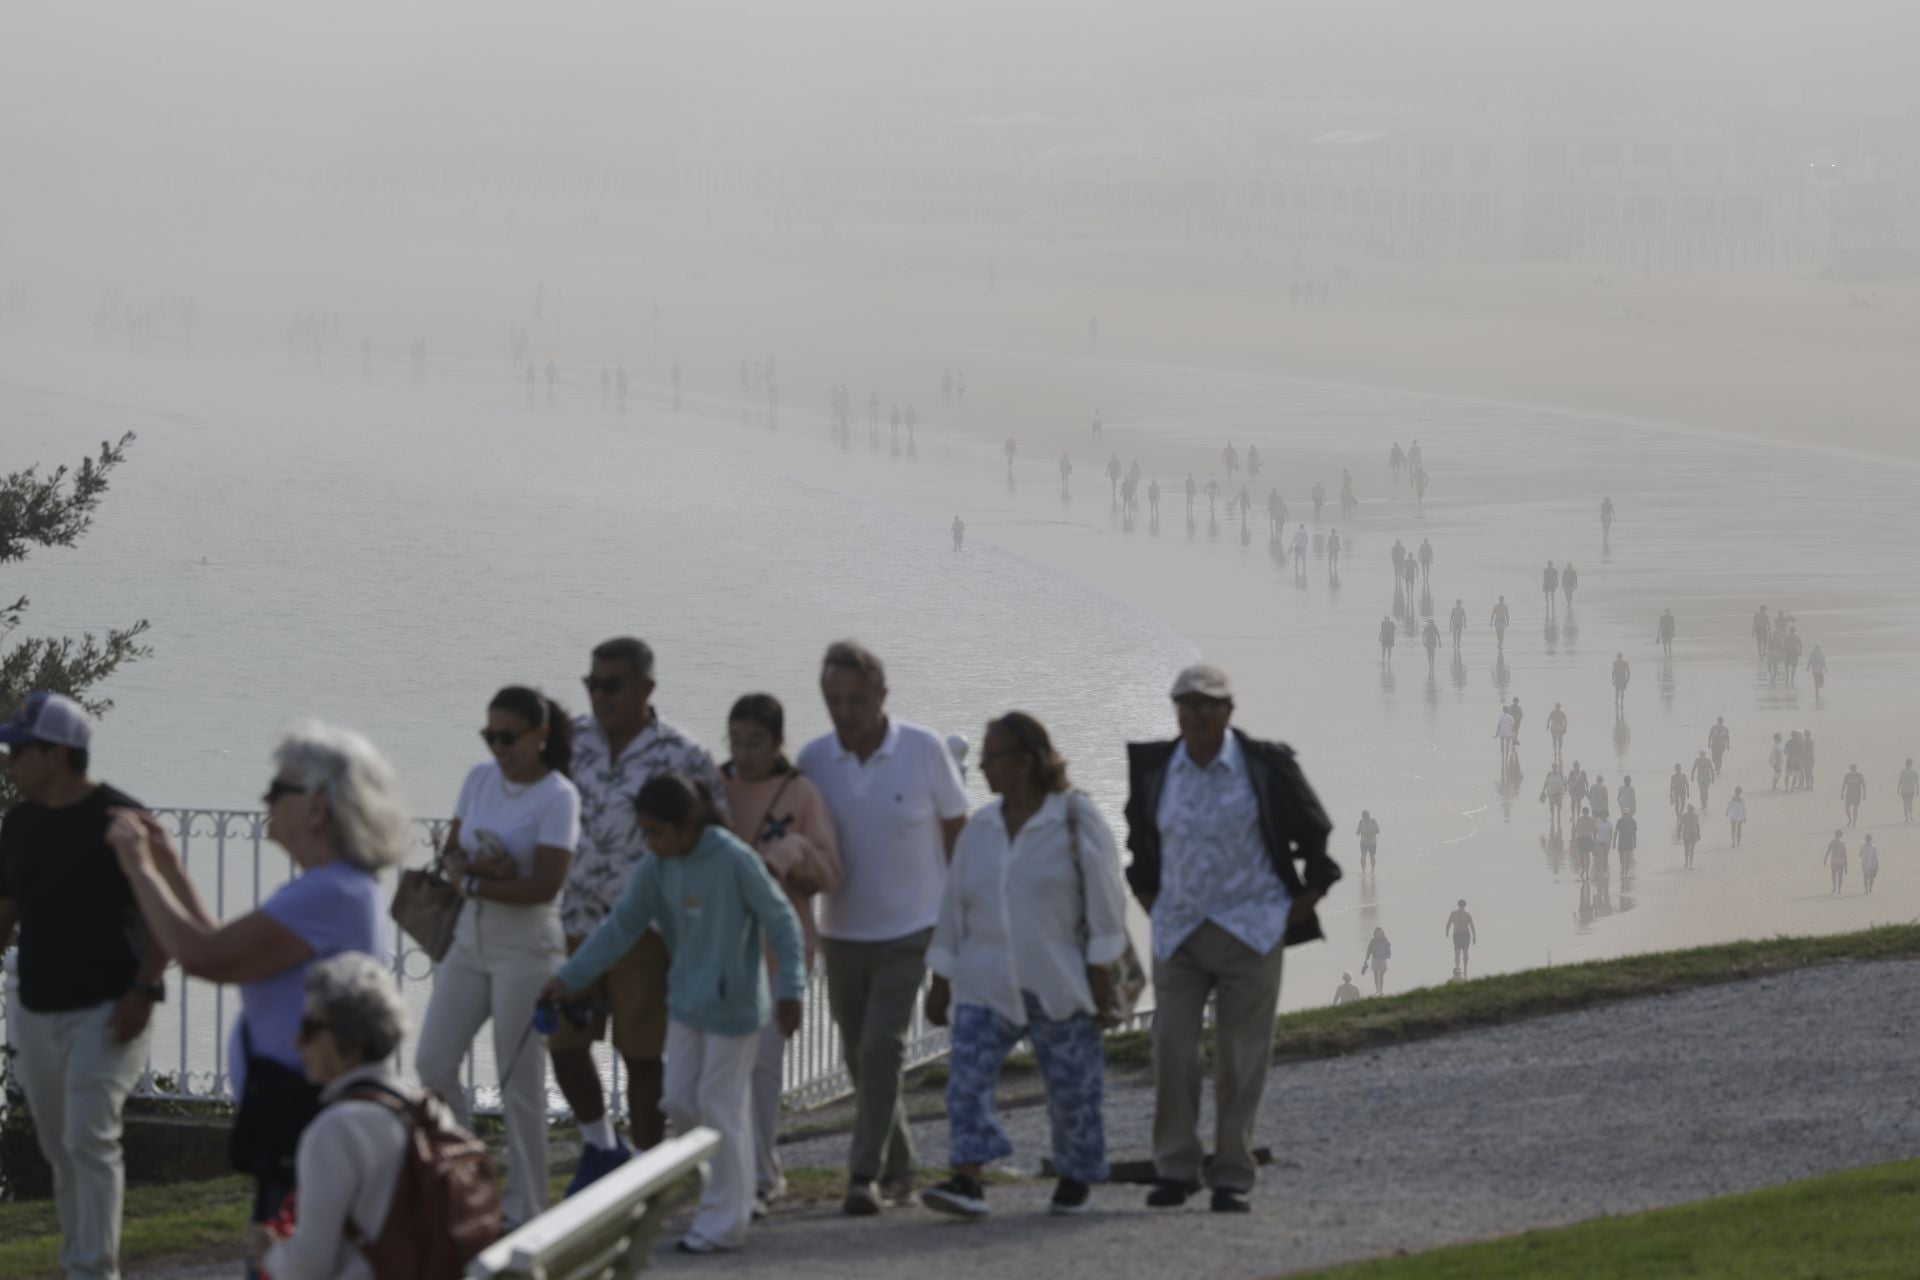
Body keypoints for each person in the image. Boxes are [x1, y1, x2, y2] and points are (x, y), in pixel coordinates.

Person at [104, 723, 406, 1276]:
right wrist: (169, 867)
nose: (265, 799)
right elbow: (221, 950)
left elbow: (203, 957)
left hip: (306, 1122)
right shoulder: (336, 887)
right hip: (299, 1120)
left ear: (317, 807)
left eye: (278, 789)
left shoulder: (327, 893)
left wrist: (138, 868)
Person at [545, 776, 805, 1255]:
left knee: (719, 1106)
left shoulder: (732, 859)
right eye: (644, 832)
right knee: (680, 1101)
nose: (650, 843)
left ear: (688, 825)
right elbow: (620, 927)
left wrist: (791, 989)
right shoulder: (657, 867)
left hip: (736, 1007)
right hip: (687, 1003)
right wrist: (572, 977)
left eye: (656, 832)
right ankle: (719, 1196)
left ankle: (724, 1222)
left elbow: (781, 920)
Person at [1125, 663, 1337, 1213]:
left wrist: (1304, 901)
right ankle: (1175, 1168)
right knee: (1172, 1048)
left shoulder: (1264, 765)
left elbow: (1314, 832)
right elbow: (1139, 839)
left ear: (1228, 711)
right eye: (1186, 705)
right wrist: (1148, 897)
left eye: (1206, 704)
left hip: (1251, 928)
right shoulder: (1155, 768)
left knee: (1241, 1058)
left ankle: (1231, 1175)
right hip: (1179, 933)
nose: (1194, 714)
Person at [921, 713, 1127, 1219]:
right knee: (966, 1077)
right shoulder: (981, 830)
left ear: (1027, 761)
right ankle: (967, 1179)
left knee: (1074, 1087)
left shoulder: (1076, 819)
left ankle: (1076, 1176)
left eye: (993, 757)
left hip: (1059, 976)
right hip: (985, 979)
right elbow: (953, 908)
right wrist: (940, 980)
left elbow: (1105, 903)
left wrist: (1102, 973)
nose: (985, 767)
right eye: (985, 757)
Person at [798, 642, 969, 1215]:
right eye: (834, 700)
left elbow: (956, 833)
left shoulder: (923, 750)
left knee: (882, 1045)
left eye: (856, 699)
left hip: (912, 928)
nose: (845, 712)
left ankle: (862, 1176)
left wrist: (955, 922)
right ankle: (900, 1170)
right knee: (860, 1056)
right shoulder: (814, 760)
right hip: (842, 931)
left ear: (881, 696)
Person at [0, 694, 167, 1280]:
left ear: (58, 754)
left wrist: (144, 993)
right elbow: (5, 916)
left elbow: (164, 920)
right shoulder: (18, 823)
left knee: (89, 1139)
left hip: (109, 1010)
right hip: (36, 1012)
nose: (7, 762)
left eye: (18, 751)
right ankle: (79, 1260)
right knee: (59, 1150)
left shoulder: (121, 821)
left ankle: (93, 1271)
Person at [551, 639, 728, 1190]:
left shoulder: (682, 755)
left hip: (645, 928)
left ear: (646, 688)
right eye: (592, 684)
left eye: (612, 685)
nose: (599, 696)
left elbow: (714, 836)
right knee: (565, 1042)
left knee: (642, 1054)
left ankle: (650, 1168)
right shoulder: (566, 744)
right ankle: (602, 1145)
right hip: (573, 919)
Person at [415, 688, 577, 1229]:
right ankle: (467, 1184)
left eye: (509, 737)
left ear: (540, 736)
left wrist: (483, 879)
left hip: (527, 950)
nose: (499, 747)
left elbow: (545, 885)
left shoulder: (558, 796)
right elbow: (454, 850)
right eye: (491, 736)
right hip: (470, 939)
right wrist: (476, 869)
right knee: (433, 1062)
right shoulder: (479, 779)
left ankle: (528, 1208)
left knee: (520, 1085)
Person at [262, 952, 499, 1280]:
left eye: (309, 1028)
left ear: (350, 1039)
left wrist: (270, 1254)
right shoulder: (428, 1111)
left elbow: (308, 1268)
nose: (297, 1041)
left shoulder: (335, 1130)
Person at [720, 695, 843, 1213]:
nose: (744, 754)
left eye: (755, 742)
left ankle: (761, 1175)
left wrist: (791, 855)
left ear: (777, 742)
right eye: (737, 741)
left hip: (780, 945)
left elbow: (830, 871)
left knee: (764, 1066)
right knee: (726, 1066)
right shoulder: (713, 787)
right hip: (722, 946)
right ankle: (739, 1170)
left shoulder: (801, 793)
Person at [1446, 900, 1476, 977]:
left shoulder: (1465, 914)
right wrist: (1447, 931)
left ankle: (1463, 968)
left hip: (1463, 934)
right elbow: (1449, 923)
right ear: (1459, 905)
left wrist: (1474, 937)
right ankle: (1459, 967)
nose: (1461, 906)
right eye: (1461, 905)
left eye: (1462, 905)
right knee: (1459, 952)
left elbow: (1472, 926)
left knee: (1463, 952)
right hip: (1459, 934)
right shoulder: (1455, 914)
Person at [1540, 762, 1566, 826]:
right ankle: (1552, 816)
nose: (1554, 768)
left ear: (1557, 767)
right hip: (1550, 792)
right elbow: (1546, 783)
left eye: (1555, 767)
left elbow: (1564, 782)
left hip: (1559, 792)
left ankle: (1558, 814)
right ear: (1552, 767)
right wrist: (1543, 791)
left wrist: (1565, 788)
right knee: (1551, 806)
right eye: (1553, 767)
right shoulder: (1549, 774)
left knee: (1559, 805)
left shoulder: (1560, 774)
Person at [1900, 758, 1917, 822]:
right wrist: (1918, 790)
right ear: (1911, 764)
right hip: (1911, 790)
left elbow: (1900, 780)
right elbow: (1916, 782)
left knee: (1905, 804)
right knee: (1910, 804)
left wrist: (1898, 788)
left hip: (1904, 790)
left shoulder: (1902, 771)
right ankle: (1910, 816)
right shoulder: (1913, 772)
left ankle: (1907, 818)